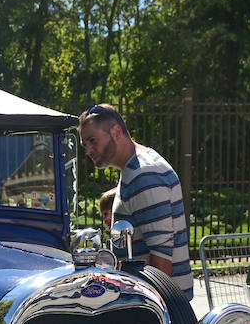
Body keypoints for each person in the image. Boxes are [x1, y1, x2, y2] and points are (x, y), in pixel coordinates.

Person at [78, 104, 193, 298]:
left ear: (116, 132)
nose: (88, 150)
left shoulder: (144, 174)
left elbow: (162, 258)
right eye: (84, 145)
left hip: (161, 307)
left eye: (92, 140)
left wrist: (156, 316)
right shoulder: (134, 169)